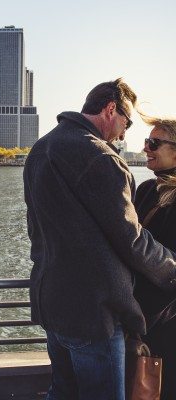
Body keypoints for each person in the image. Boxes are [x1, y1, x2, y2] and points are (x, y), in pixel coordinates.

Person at [23, 78, 176, 400]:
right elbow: (130, 239)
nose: (124, 134)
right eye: (127, 122)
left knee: (63, 391)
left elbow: (35, 230)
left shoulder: (42, 148)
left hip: (53, 303)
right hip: (94, 313)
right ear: (110, 110)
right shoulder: (101, 159)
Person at [133, 117, 176, 400]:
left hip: (167, 318)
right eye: (147, 141)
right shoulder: (146, 190)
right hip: (142, 316)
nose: (146, 147)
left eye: (155, 143)